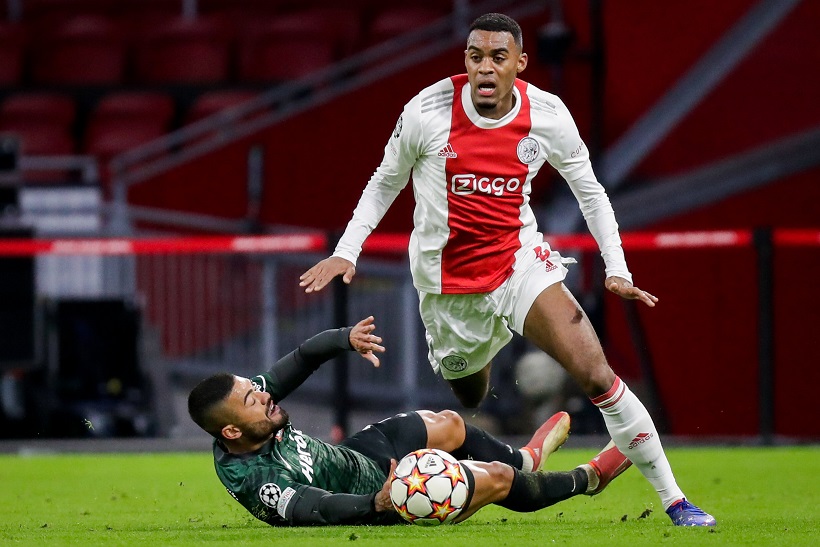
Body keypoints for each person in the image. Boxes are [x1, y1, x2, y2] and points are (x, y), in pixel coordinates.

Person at [298, 13, 715, 527]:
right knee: (469, 393)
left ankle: (676, 500)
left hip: (518, 263)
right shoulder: (427, 111)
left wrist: (617, 268)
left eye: (499, 57)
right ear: (466, 62)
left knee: (596, 373)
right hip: (448, 287)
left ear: (520, 63)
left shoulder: (548, 115)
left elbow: (591, 192)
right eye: (476, 57)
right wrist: (348, 250)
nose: (486, 68)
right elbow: (385, 181)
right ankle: (519, 436)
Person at [187, 317, 632, 526]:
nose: (264, 394)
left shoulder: (253, 415)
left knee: (450, 424)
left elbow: (303, 357)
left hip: (356, 457)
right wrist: (377, 503)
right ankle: (589, 478)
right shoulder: (258, 481)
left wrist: (345, 338)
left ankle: (526, 459)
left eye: (257, 389)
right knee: (497, 479)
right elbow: (317, 508)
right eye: (252, 398)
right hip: (380, 499)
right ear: (231, 431)